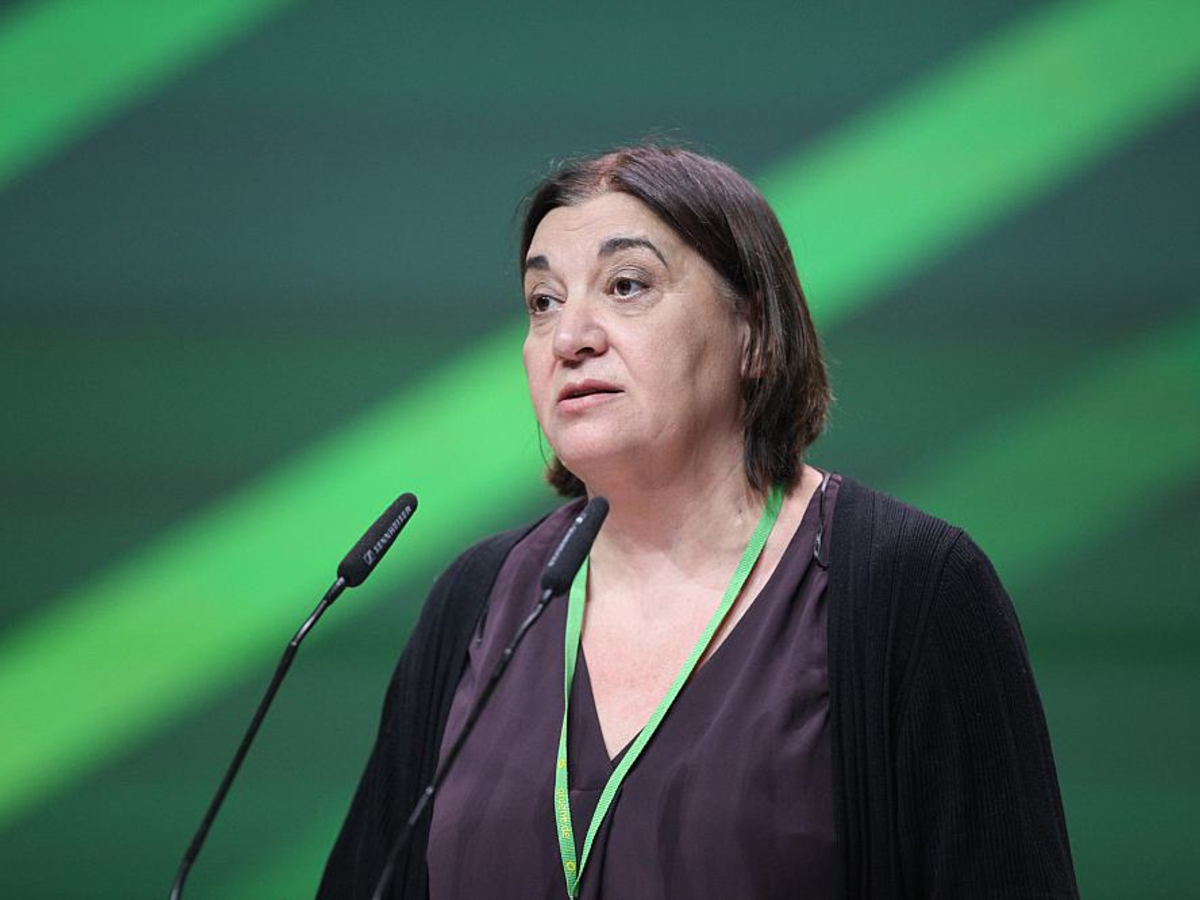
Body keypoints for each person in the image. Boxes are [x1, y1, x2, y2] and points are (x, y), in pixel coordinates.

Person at [318, 146, 1078, 899]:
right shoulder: (479, 600)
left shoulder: (908, 588)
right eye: (543, 301)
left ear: (755, 332)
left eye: (626, 285)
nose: (570, 337)